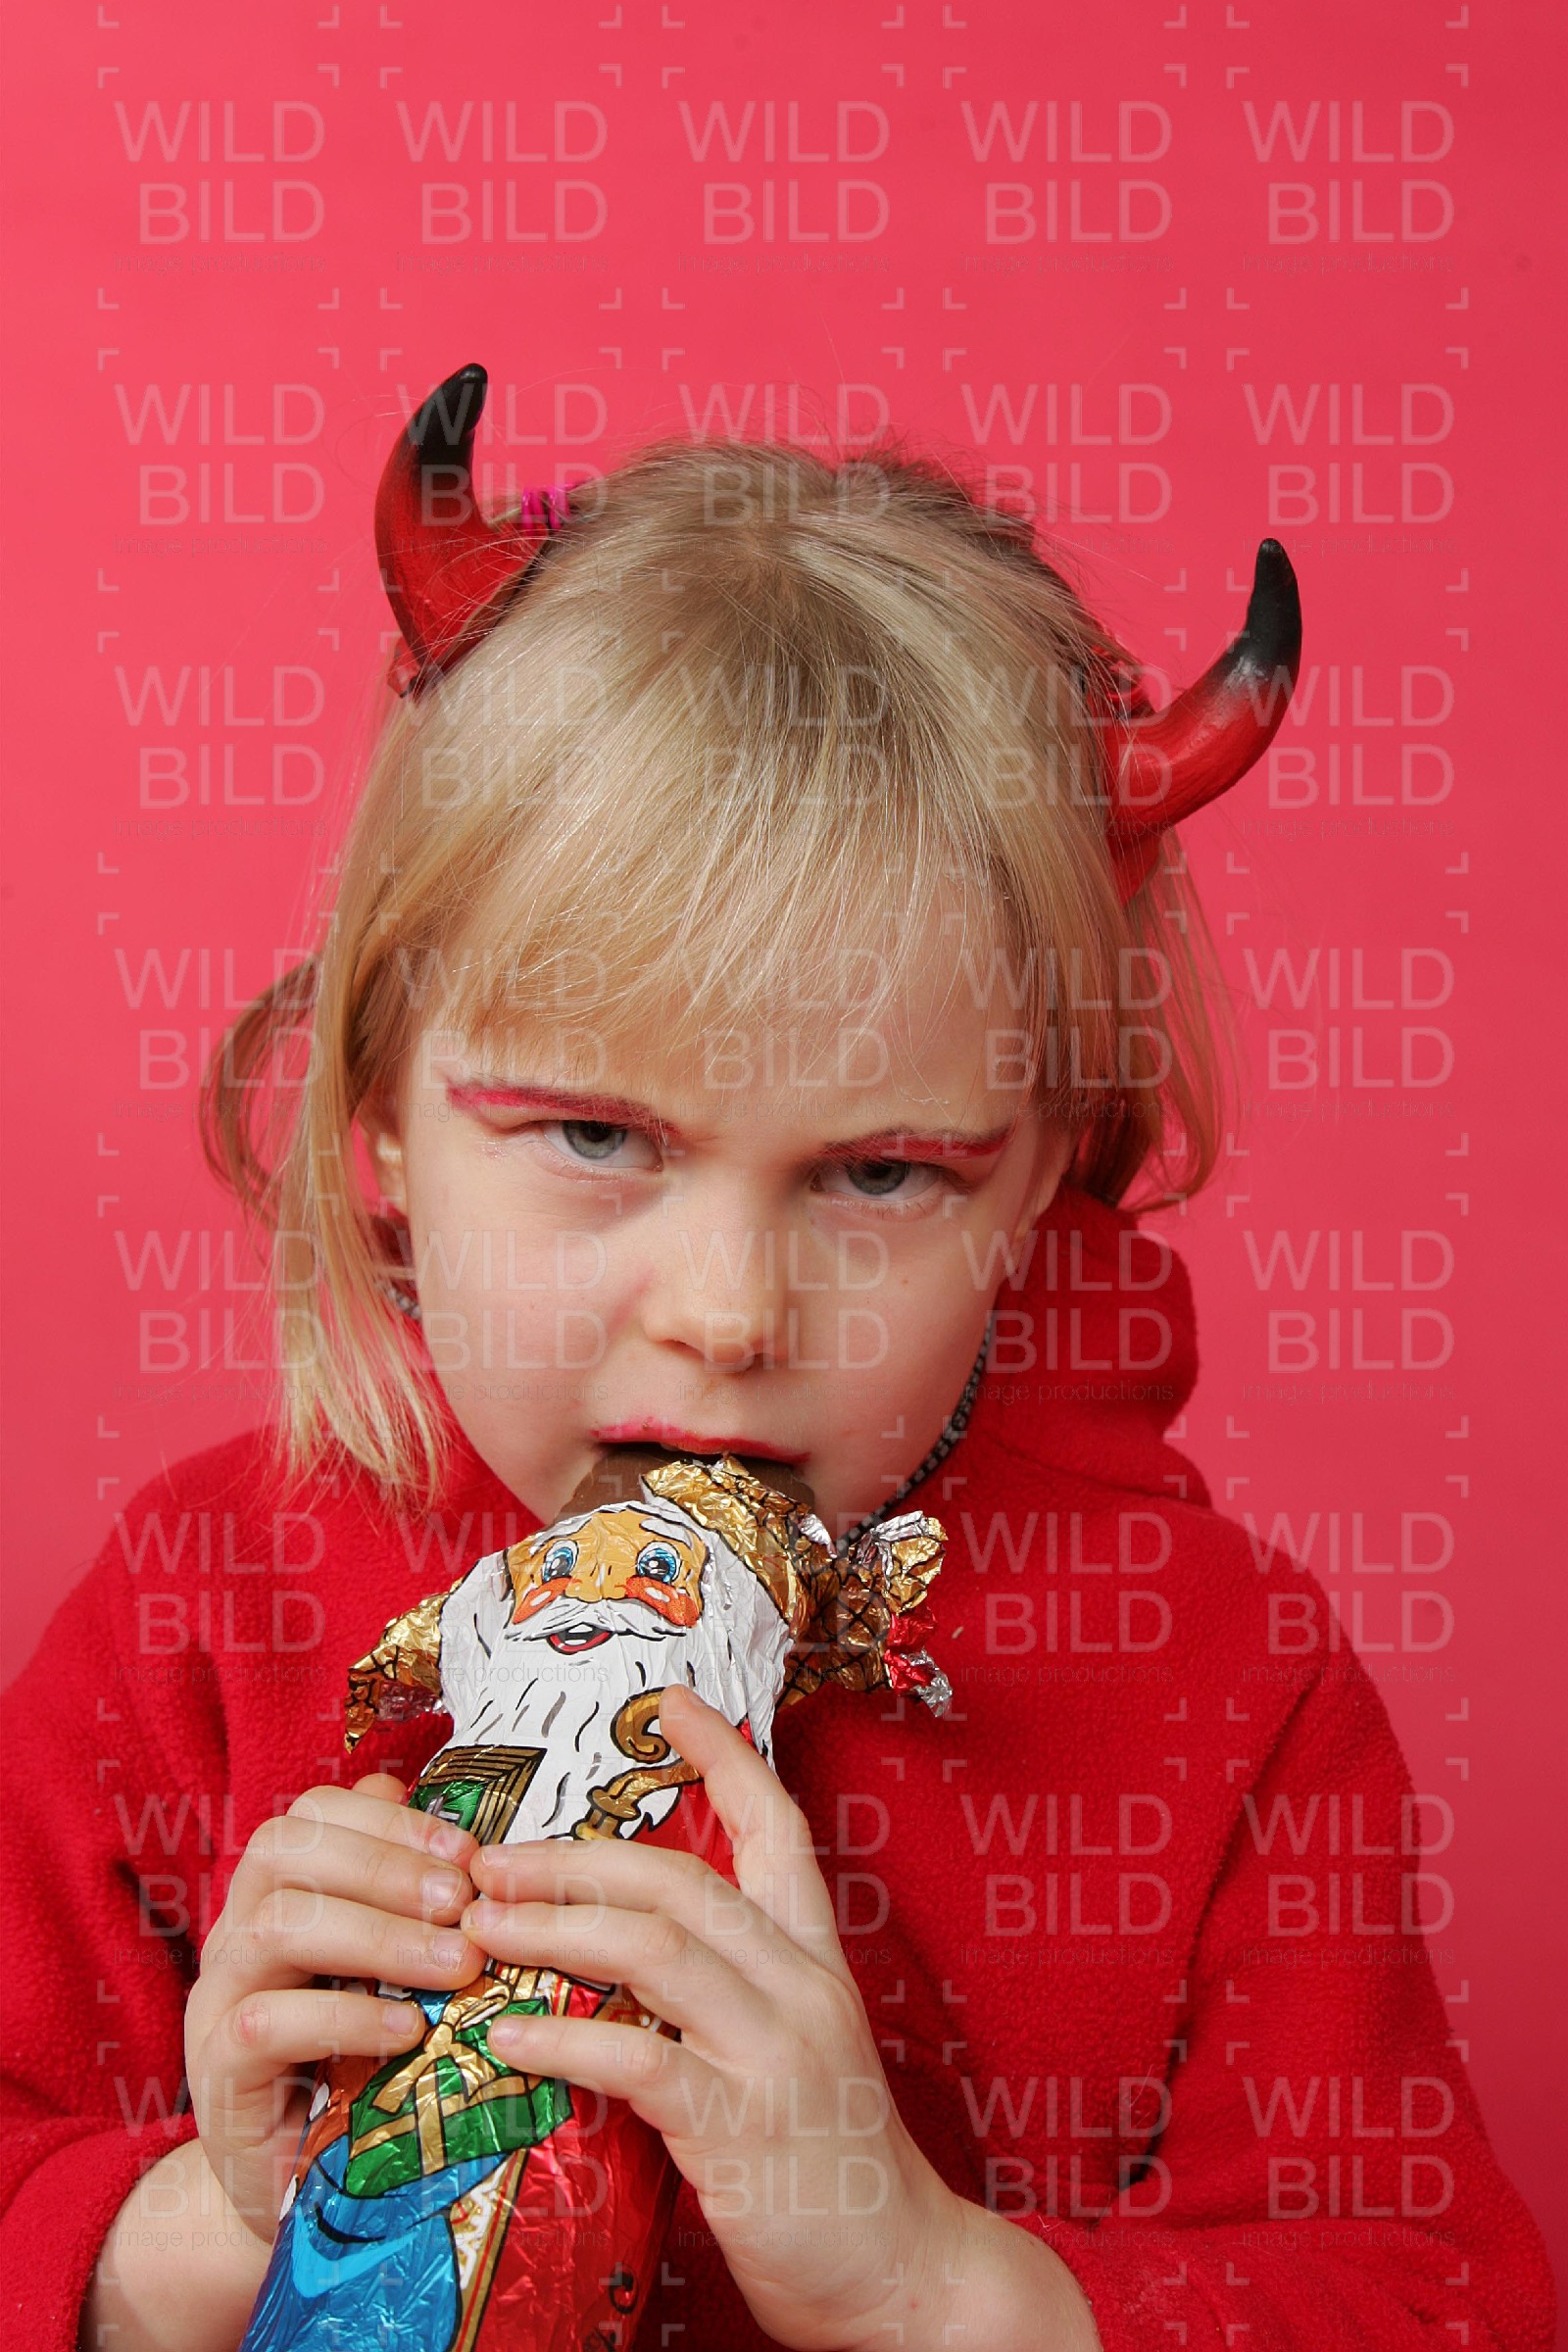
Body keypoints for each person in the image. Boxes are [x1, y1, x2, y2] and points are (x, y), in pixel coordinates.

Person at [0, 368, 1553, 2352]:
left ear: (1038, 1180)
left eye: (880, 1173)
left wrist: (934, 2286)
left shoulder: (1230, 1692)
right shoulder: (201, 1614)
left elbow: (1433, 2298)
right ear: (378, 1115)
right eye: (594, 1136)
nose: (729, 1313)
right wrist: (205, 2226)